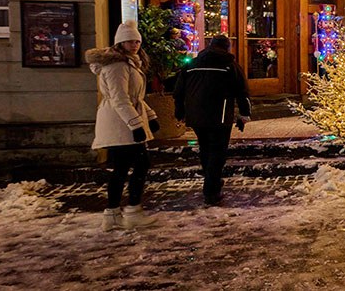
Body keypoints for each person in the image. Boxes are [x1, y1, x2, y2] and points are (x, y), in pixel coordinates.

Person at [88, 20, 160, 231]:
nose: (135, 44)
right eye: (129, 41)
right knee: (139, 164)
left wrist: (151, 116)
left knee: (123, 167)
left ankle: (113, 214)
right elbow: (120, 99)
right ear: (120, 43)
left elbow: (135, 97)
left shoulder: (129, 63)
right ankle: (131, 210)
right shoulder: (117, 66)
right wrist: (136, 125)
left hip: (124, 121)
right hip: (119, 124)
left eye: (137, 40)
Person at [174, 34, 251, 205]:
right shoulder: (229, 66)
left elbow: (178, 90)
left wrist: (180, 111)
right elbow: (242, 92)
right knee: (217, 151)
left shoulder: (192, 65)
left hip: (196, 115)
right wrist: (244, 114)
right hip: (220, 115)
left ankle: (212, 180)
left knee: (205, 148)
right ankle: (211, 189)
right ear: (227, 47)